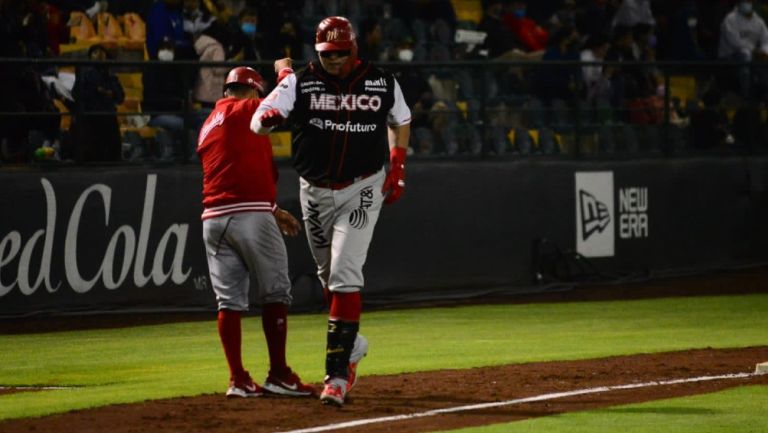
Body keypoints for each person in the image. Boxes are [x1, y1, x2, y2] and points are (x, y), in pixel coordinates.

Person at [250, 16, 411, 407]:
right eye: (326, 54)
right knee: (328, 274)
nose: (333, 60)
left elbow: (401, 119)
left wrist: (398, 165)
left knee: (343, 272)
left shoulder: (382, 81)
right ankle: (351, 344)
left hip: (362, 186)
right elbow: (259, 121)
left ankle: (336, 376)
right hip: (315, 191)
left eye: (340, 53)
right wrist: (270, 118)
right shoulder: (300, 81)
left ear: (353, 49)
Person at [197, 66, 315, 398]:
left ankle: (238, 379)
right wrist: (285, 71)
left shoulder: (209, 123)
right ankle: (278, 373)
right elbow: (284, 98)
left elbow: (232, 171)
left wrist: (273, 210)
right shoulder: (246, 108)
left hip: (214, 219)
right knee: (276, 292)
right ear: (252, 92)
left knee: (229, 302)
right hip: (248, 215)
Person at [70, 43, 124, 161]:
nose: (99, 55)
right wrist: (96, 91)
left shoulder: (111, 76)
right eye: (95, 53)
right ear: (90, 57)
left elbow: (120, 97)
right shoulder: (85, 75)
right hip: (90, 116)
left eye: (102, 53)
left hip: (107, 115)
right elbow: (76, 94)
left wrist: (111, 93)